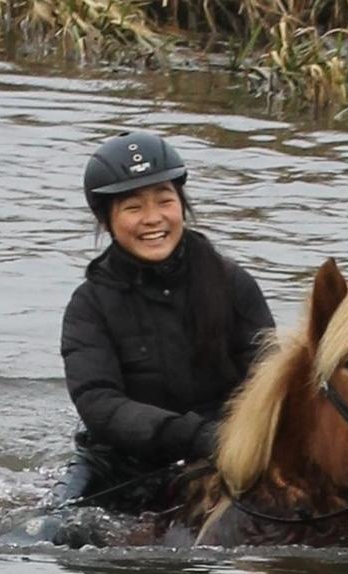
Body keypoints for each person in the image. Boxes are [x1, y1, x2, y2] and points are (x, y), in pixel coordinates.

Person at [49, 130, 275, 516]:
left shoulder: (232, 281)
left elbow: (269, 371)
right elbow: (99, 403)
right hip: (124, 467)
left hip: (230, 453)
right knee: (52, 529)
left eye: (164, 201)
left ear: (181, 205)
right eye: (133, 207)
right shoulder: (88, 306)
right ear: (107, 220)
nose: (152, 219)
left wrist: (242, 438)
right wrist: (198, 436)